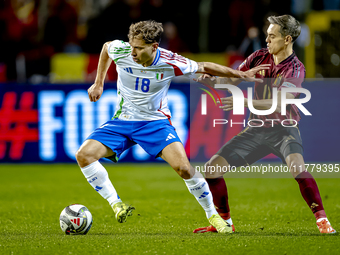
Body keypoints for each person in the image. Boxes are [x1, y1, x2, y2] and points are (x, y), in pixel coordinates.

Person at [75, 20, 269, 234]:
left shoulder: (170, 61)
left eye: (139, 48)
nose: (133, 52)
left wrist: (242, 75)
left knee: (184, 168)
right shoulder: (122, 50)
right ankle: (116, 203)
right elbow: (106, 48)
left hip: (155, 124)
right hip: (122, 120)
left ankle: (212, 215)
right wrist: (99, 82)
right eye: (132, 46)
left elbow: (204, 66)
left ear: (154, 47)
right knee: (84, 155)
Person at [193, 15, 336, 234]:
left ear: (287, 39)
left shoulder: (296, 69)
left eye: (272, 36)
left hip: (284, 131)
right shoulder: (258, 57)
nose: (267, 40)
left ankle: (322, 220)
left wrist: (244, 100)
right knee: (212, 170)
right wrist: (211, 80)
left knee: (298, 168)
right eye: (266, 35)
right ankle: (226, 223)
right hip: (255, 131)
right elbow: (233, 80)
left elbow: (280, 101)